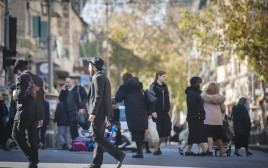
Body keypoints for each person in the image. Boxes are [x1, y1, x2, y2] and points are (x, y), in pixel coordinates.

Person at [86, 57, 126, 168]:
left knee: (97, 137)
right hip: (102, 113)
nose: (88, 68)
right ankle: (96, 163)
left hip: (98, 113)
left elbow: (98, 96)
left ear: (94, 67)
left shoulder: (98, 78)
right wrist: (107, 117)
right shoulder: (104, 78)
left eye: (89, 66)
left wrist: (93, 112)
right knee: (99, 137)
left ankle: (119, 155)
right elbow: (107, 99)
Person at [11, 60, 44, 168]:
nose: (18, 74)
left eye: (17, 72)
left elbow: (20, 95)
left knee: (16, 135)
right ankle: (33, 163)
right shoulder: (39, 79)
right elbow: (41, 99)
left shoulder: (21, 78)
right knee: (32, 138)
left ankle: (33, 159)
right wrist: (41, 117)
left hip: (24, 113)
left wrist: (14, 95)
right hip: (36, 114)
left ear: (19, 70)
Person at [115, 73, 151, 158]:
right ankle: (140, 150)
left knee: (135, 131)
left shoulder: (124, 88)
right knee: (141, 130)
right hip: (143, 112)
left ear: (124, 80)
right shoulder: (139, 86)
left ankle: (139, 152)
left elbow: (117, 98)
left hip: (132, 113)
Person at [149, 70, 171, 155]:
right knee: (157, 132)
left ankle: (157, 147)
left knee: (167, 130)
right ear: (158, 76)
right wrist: (153, 111)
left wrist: (168, 106)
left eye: (165, 76)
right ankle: (156, 149)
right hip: (156, 113)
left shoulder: (165, 86)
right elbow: (150, 99)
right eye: (163, 76)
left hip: (165, 112)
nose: (165, 78)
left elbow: (168, 97)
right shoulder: (153, 86)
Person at [59, 76, 87, 142]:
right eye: (66, 82)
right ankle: (75, 143)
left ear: (73, 82)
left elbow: (85, 98)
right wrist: (62, 91)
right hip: (68, 112)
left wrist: (81, 107)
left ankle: (80, 142)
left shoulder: (79, 88)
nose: (66, 84)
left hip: (77, 110)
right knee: (72, 128)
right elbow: (60, 99)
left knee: (80, 126)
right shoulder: (65, 90)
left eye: (68, 82)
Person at [203, 82, 228, 156]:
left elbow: (202, 107)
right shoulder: (220, 98)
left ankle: (210, 151)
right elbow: (223, 109)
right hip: (217, 119)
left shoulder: (204, 98)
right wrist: (222, 111)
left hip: (208, 119)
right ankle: (221, 151)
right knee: (218, 136)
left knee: (209, 135)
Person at [185, 76, 207, 156]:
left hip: (195, 116)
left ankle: (188, 151)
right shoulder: (192, 93)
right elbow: (191, 105)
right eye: (200, 82)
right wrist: (198, 112)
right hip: (195, 116)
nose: (201, 84)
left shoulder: (195, 92)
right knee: (199, 133)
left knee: (192, 134)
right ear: (196, 83)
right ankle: (204, 151)